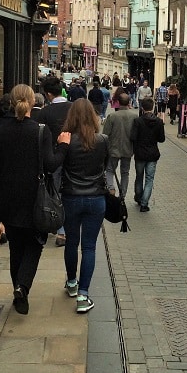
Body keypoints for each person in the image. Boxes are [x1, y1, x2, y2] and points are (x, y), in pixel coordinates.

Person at [0, 84, 71, 314]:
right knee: (34, 245)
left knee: (16, 248)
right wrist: (63, 146)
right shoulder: (40, 131)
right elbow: (52, 164)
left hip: (7, 199)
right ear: (33, 102)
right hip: (34, 199)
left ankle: (18, 289)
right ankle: (22, 287)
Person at [60, 98, 108, 313]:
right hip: (96, 199)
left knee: (71, 241)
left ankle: (71, 283)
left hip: (71, 197)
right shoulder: (102, 140)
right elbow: (105, 166)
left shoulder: (66, 141)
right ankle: (83, 295)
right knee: (89, 247)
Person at [37, 76, 72, 247]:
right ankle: (64, 230)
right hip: (73, 157)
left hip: (53, 158)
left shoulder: (45, 112)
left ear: (49, 94)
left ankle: (56, 226)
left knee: (54, 192)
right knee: (68, 192)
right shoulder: (73, 109)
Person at [131, 97, 165, 212]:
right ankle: (144, 204)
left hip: (140, 154)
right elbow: (161, 139)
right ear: (153, 107)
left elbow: (133, 137)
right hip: (152, 154)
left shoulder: (138, 121)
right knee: (149, 179)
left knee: (139, 176)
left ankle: (139, 198)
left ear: (142, 108)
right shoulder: (159, 122)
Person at [103, 92, 138, 199]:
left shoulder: (112, 116)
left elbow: (105, 134)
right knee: (125, 172)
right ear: (129, 102)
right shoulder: (134, 116)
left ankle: (111, 188)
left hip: (113, 148)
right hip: (128, 149)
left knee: (109, 170)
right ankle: (122, 196)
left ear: (118, 102)